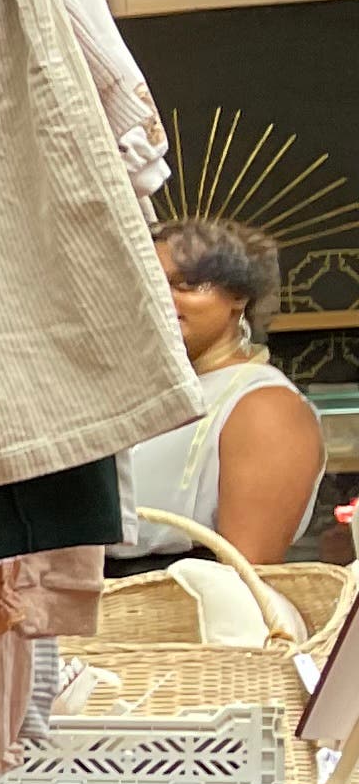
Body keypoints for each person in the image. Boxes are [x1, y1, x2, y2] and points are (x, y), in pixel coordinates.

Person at [111, 216, 326, 568]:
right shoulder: (138, 394)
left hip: (190, 613)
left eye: (186, 284)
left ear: (238, 295)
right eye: (150, 284)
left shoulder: (264, 405)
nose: (163, 300)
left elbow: (246, 575)